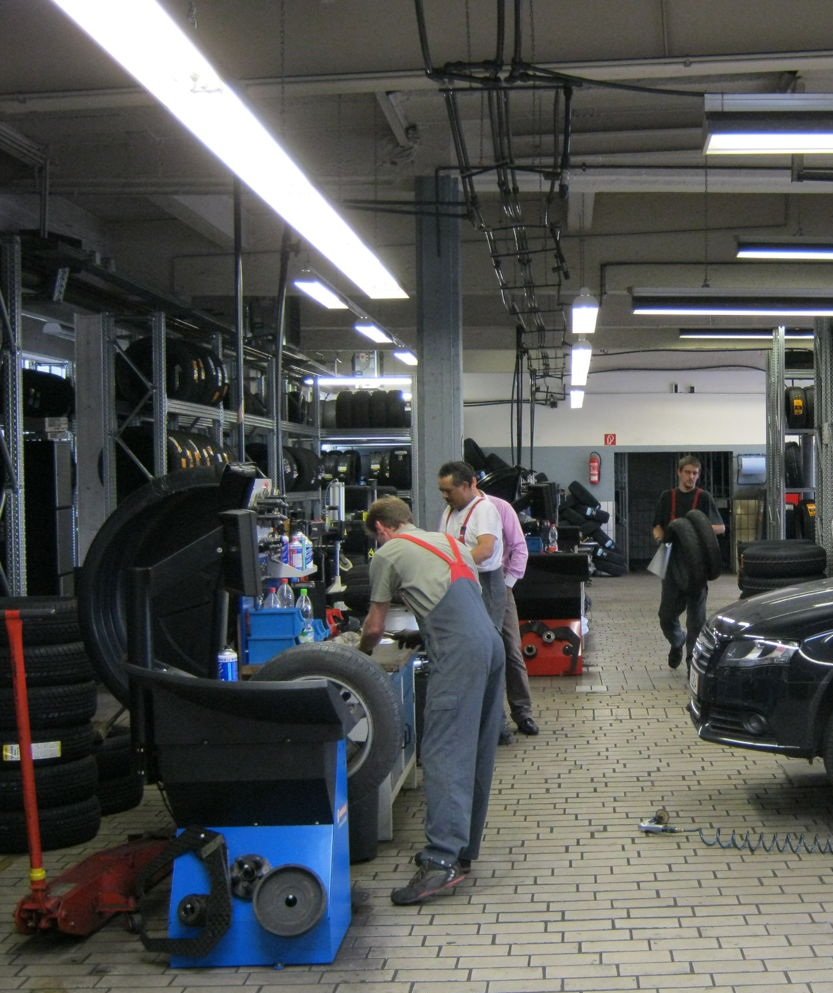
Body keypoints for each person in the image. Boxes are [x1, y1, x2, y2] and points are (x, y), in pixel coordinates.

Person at [358, 496, 506, 906]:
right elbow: (457, 603)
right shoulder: (450, 542)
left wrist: (358, 656)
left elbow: (374, 626)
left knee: (443, 752)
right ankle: (461, 850)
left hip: (458, 654)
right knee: (475, 751)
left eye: (376, 536)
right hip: (490, 645)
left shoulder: (387, 554)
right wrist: (424, 633)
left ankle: (441, 861)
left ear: (381, 529)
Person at [474, 482, 539, 737]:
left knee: (510, 649)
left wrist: (507, 584)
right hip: (467, 586)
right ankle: (494, 721)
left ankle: (522, 712)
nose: (447, 496)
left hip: (498, 583)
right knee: (481, 652)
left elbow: (520, 548)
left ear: (470, 485)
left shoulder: (500, 508)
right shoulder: (452, 513)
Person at [652, 454, 725, 669]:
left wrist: (696, 529)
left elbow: (721, 527)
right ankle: (677, 641)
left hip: (697, 565)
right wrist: (660, 536)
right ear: (679, 472)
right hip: (672, 563)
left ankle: (692, 662)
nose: (691, 477)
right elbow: (657, 525)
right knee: (666, 616)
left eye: (695, 473)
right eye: (687, 472)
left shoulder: (704, 498)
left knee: (696, 620)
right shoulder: (667, 497)